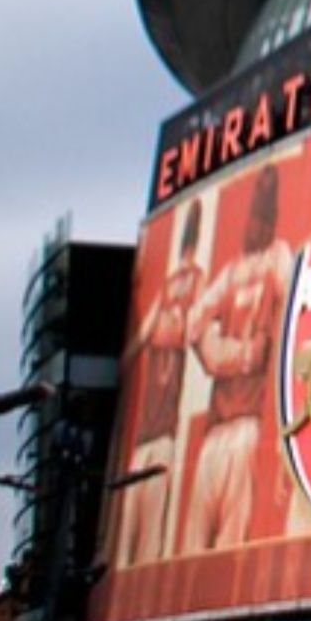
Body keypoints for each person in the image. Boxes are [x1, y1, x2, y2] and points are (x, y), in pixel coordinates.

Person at [182, 173, 291, 553]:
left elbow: (296, 300)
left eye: (263, 215)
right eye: (252, 216)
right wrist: (236, 356)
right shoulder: (231, 272)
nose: (254, 225)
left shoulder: (278, 257)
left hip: (247, 425)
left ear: (272, 217)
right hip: (217, 429)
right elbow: (193, 324)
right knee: (195, 553)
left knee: (228, 551)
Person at [114, 199, 203, 565]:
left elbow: (138, 344)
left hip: (152, 438)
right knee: (142, 547)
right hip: (157, 437)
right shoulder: (187, 285)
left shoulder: (171, 289)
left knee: (132, 550)